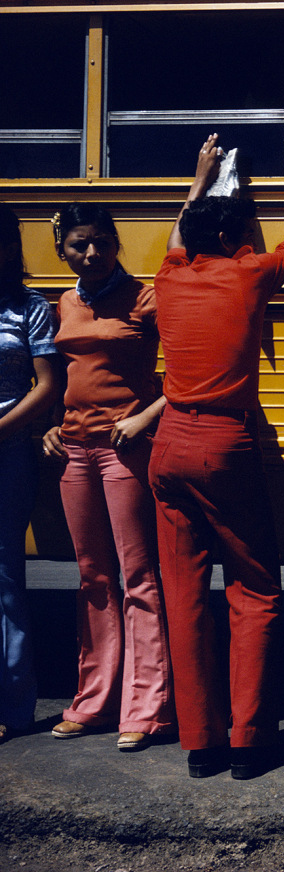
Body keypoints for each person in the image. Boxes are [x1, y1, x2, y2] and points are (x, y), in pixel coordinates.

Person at [149, 130, 284, 779]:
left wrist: (198, 179)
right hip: (223, 447)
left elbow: (183, 233)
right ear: (240, 237)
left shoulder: (170, 276)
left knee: (183, 594)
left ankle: (201, 742)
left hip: (169, 441)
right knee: (255, 588)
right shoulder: (250, 274)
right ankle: (250, 739)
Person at [42, 204, 174, 751]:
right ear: (61, 250)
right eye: (79, 245)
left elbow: (191, 368)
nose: (93, 253)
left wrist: (145, 416)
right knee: (93, 576)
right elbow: (58, 377)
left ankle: (145, 710)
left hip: (126, 450)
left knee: (139, 576)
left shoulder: (144, 298)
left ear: (116, 243)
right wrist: (50, 428)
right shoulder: (65, 302)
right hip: (74, 451)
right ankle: (92, 702)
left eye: (102, 242)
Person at [0, 203, 60, 742]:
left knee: (5, 581)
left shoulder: (29, 307)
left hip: (8, 451)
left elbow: (47, 386)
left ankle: (13, 708)